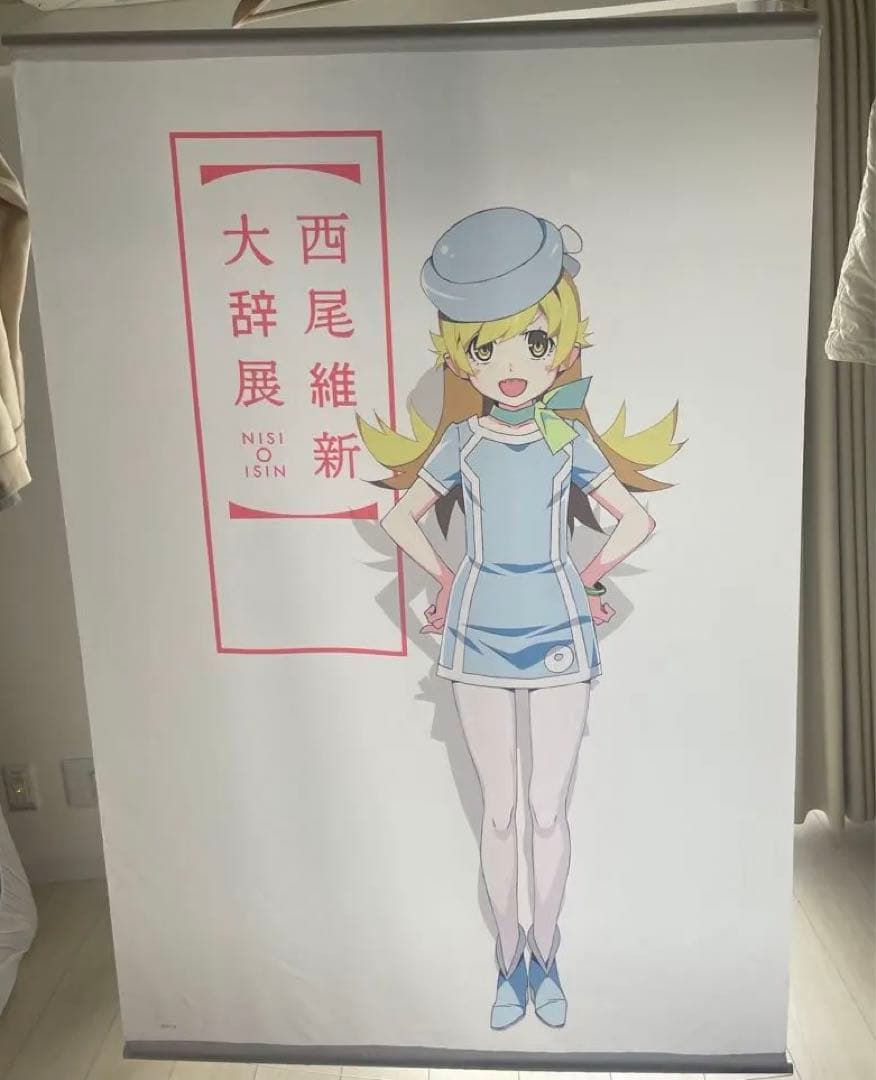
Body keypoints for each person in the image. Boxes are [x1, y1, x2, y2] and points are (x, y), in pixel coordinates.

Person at [358, 207, 681, 1030]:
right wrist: (448, 576)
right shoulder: (462, 443)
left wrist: (587, 574)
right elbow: (399, 517)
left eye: (532, 343)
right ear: (459, 352)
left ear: (560, 346)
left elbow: (636, 519)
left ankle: (548, 951)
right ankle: (511, 960)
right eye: (486, 347)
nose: (510, 367)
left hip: (559, 632)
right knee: (500, 812)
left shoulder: (565, 438)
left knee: (546, 811)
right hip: (476, 635)